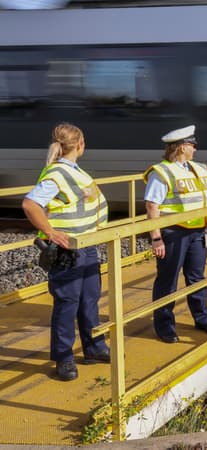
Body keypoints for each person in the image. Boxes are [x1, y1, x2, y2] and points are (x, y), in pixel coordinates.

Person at [21, 123, 111, 381]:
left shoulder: (74, 171)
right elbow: (30, 204)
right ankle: (64, 357)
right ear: (80, 145)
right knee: (68, 303)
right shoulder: (57, 174)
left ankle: (94, 347)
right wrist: (50, 232)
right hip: (68, 251)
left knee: (89, 299)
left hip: (86, 246)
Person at [144, 125, 207, 343]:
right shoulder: (162, 172)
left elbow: (204, 198)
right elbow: (152, 206)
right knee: (168, 281)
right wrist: (156, 237)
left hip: (198, 232)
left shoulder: (198, 168)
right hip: (174, 234)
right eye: (192, 145)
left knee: (197, 278)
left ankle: (202, 319)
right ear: (181, 147)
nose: (195, 149)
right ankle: (165, 325)